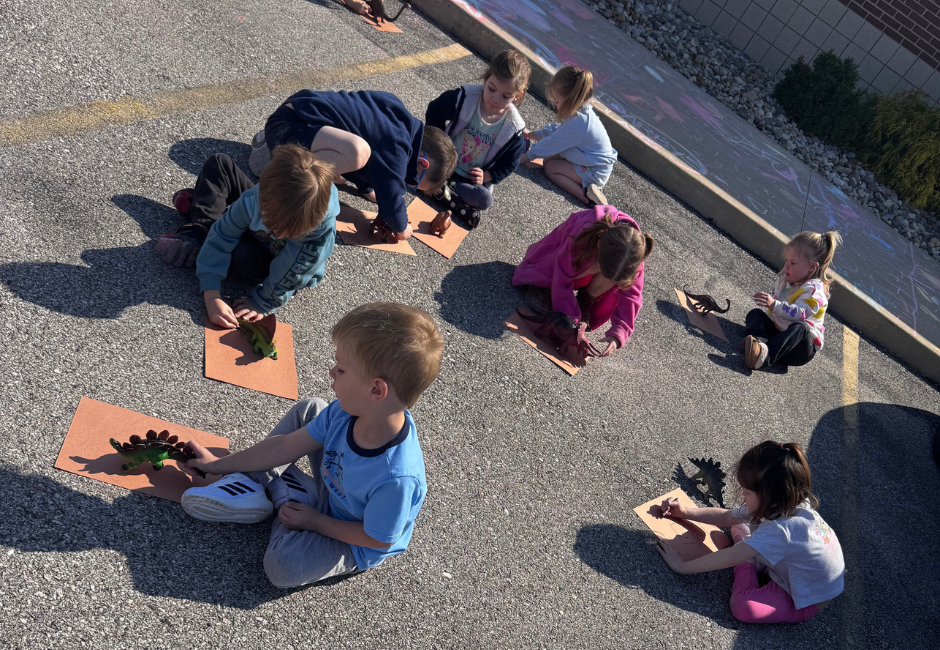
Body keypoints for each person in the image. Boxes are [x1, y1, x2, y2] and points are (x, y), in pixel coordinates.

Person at [179, 302, 444, 587]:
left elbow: (376, 538)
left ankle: (279, 494)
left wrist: (315, 522)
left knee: (284, 567)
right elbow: (284, 447)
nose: (332, 372)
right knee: (311, 409)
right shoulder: (345, 412)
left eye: (341, 370)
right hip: (332, 491)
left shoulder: (396, 478)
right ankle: (253, 485)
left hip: (354, 537)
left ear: (376, 390)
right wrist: (218, 465)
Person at [656, 441, 845, 624]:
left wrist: (681, 566)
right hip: (794, 568)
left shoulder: (781, 529)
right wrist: (684, 512)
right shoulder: (785, 501)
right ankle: (750, 549)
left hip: (803, 597)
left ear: (770, 497)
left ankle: (749, 556)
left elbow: (732, 556)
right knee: (738, 524)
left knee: (743, 606)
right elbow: (726, 517)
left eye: (747, 493)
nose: (742, 496)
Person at [157, 145, 339, 327]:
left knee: (240, 253)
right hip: (260, 222)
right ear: (262, 199)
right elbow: (223, 235)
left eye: (289, 233)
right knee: (220, 164)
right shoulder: (255, 200)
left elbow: (291, 273)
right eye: (273, 227)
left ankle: (201, 220)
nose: (279, 234)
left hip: (277, 262)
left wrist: (261, 302)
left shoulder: (316, 232)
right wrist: (211, 294)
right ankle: (202, 228)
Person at [249, 90, 457, 241]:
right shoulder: (398, 145)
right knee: (356, 153)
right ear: (422, 162)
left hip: (296, 117)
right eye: (413, 181)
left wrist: (367, 189)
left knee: (344, 167)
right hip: (287, 126)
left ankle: (282, 149)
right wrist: (402, 228)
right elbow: (392, 194)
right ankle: (279, 164)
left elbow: (374, 152)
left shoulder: (399, 121)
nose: (408, 182)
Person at [511, 205, 653, 357]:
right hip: (552, 265)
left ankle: (585, 300)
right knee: (588, 267)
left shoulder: (633, 256)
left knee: (620, 277)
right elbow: (561, 271)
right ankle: (544, 287)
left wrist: (619, 334)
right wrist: (571, 320)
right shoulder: (586, 230)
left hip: (588, 269)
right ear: (599, 244)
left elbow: (632, 297)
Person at [425, 49, 530, 228]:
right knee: (416, 154)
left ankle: (437, 188)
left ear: (517, 96)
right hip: (444, 163)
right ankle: (450, 199)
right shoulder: (466, 98)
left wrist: (488, 175)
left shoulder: (512, 127)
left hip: (467, 180)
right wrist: (439, 143)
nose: (496, 98)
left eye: (506, 96)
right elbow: (435, 108)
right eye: (492, 89)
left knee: (485, 199)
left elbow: (511, 162)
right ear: (486, 78)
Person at [742, 231, 842, 370]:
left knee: (801, 327)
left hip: (797, 349)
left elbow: (799, 314)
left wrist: (773, 305)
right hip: (779, 333)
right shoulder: (787, 279)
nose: (786, 267)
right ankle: (757, 343)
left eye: (793, 263)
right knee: (755, 314)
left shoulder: (814, 291)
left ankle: (764, 356)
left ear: (812, 267)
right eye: (786, 261)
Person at [519, 65, 617, 207]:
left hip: (595, 170)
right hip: (589, 160)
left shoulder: (579, 123)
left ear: (570, 101)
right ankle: (587, 186)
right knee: (547, 161)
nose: (555, 105)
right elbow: (557, 132)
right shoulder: (580, 113)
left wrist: (525, 157)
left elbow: (553, 142)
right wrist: (531, 135)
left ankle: (587, 196)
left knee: (551, 168)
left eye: (557, 102)